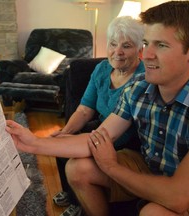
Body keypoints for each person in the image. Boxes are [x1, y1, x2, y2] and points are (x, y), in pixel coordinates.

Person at [5, 1, 189, 216]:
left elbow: (178, 197)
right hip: (150, 165)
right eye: (146, 43)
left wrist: (112, 167)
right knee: (77, 169)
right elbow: (99, 136)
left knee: (154, 212)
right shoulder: (139, 86)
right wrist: (34, 143)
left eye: (161, 45)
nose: (147, 55)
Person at [51, 16, 145, 215]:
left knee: (75, 155)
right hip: (102, 129)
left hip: (129, 142)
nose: (117, 52)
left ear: (139, 49)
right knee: (62, 142)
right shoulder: (102, 69)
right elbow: (85, 109)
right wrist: (65, 132)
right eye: (113, 44)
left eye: (126, 46)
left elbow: (121, 130)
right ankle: (74, 197)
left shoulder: (144, 77)